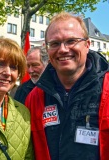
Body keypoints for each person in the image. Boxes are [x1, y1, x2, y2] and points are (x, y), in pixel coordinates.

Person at [25, 12, 109, 160]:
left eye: (71, 41)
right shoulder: (34, 98)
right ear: (47, 48)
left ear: (87, 45)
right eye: (55, 43)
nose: (63, 49)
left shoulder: (106, 90)